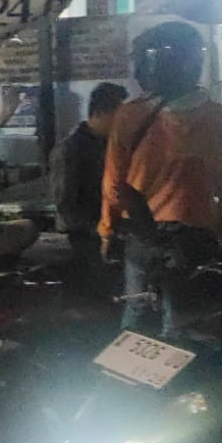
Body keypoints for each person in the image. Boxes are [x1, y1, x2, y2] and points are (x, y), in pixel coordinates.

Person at [99, 22, 222, 337]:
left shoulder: (130, 115)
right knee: (183, 316)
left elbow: (114, 184)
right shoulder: (220, 118)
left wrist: (107, 232)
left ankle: (130, 364)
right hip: (196, 235)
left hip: (141, 234)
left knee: (136, 308)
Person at [49, 82, 128, 288]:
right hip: (84, 238)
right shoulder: (70, 149)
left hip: (108, 230)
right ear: (100, 112)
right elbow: (65, 204)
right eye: (119, 116)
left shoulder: (111, 144)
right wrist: (99, 230)